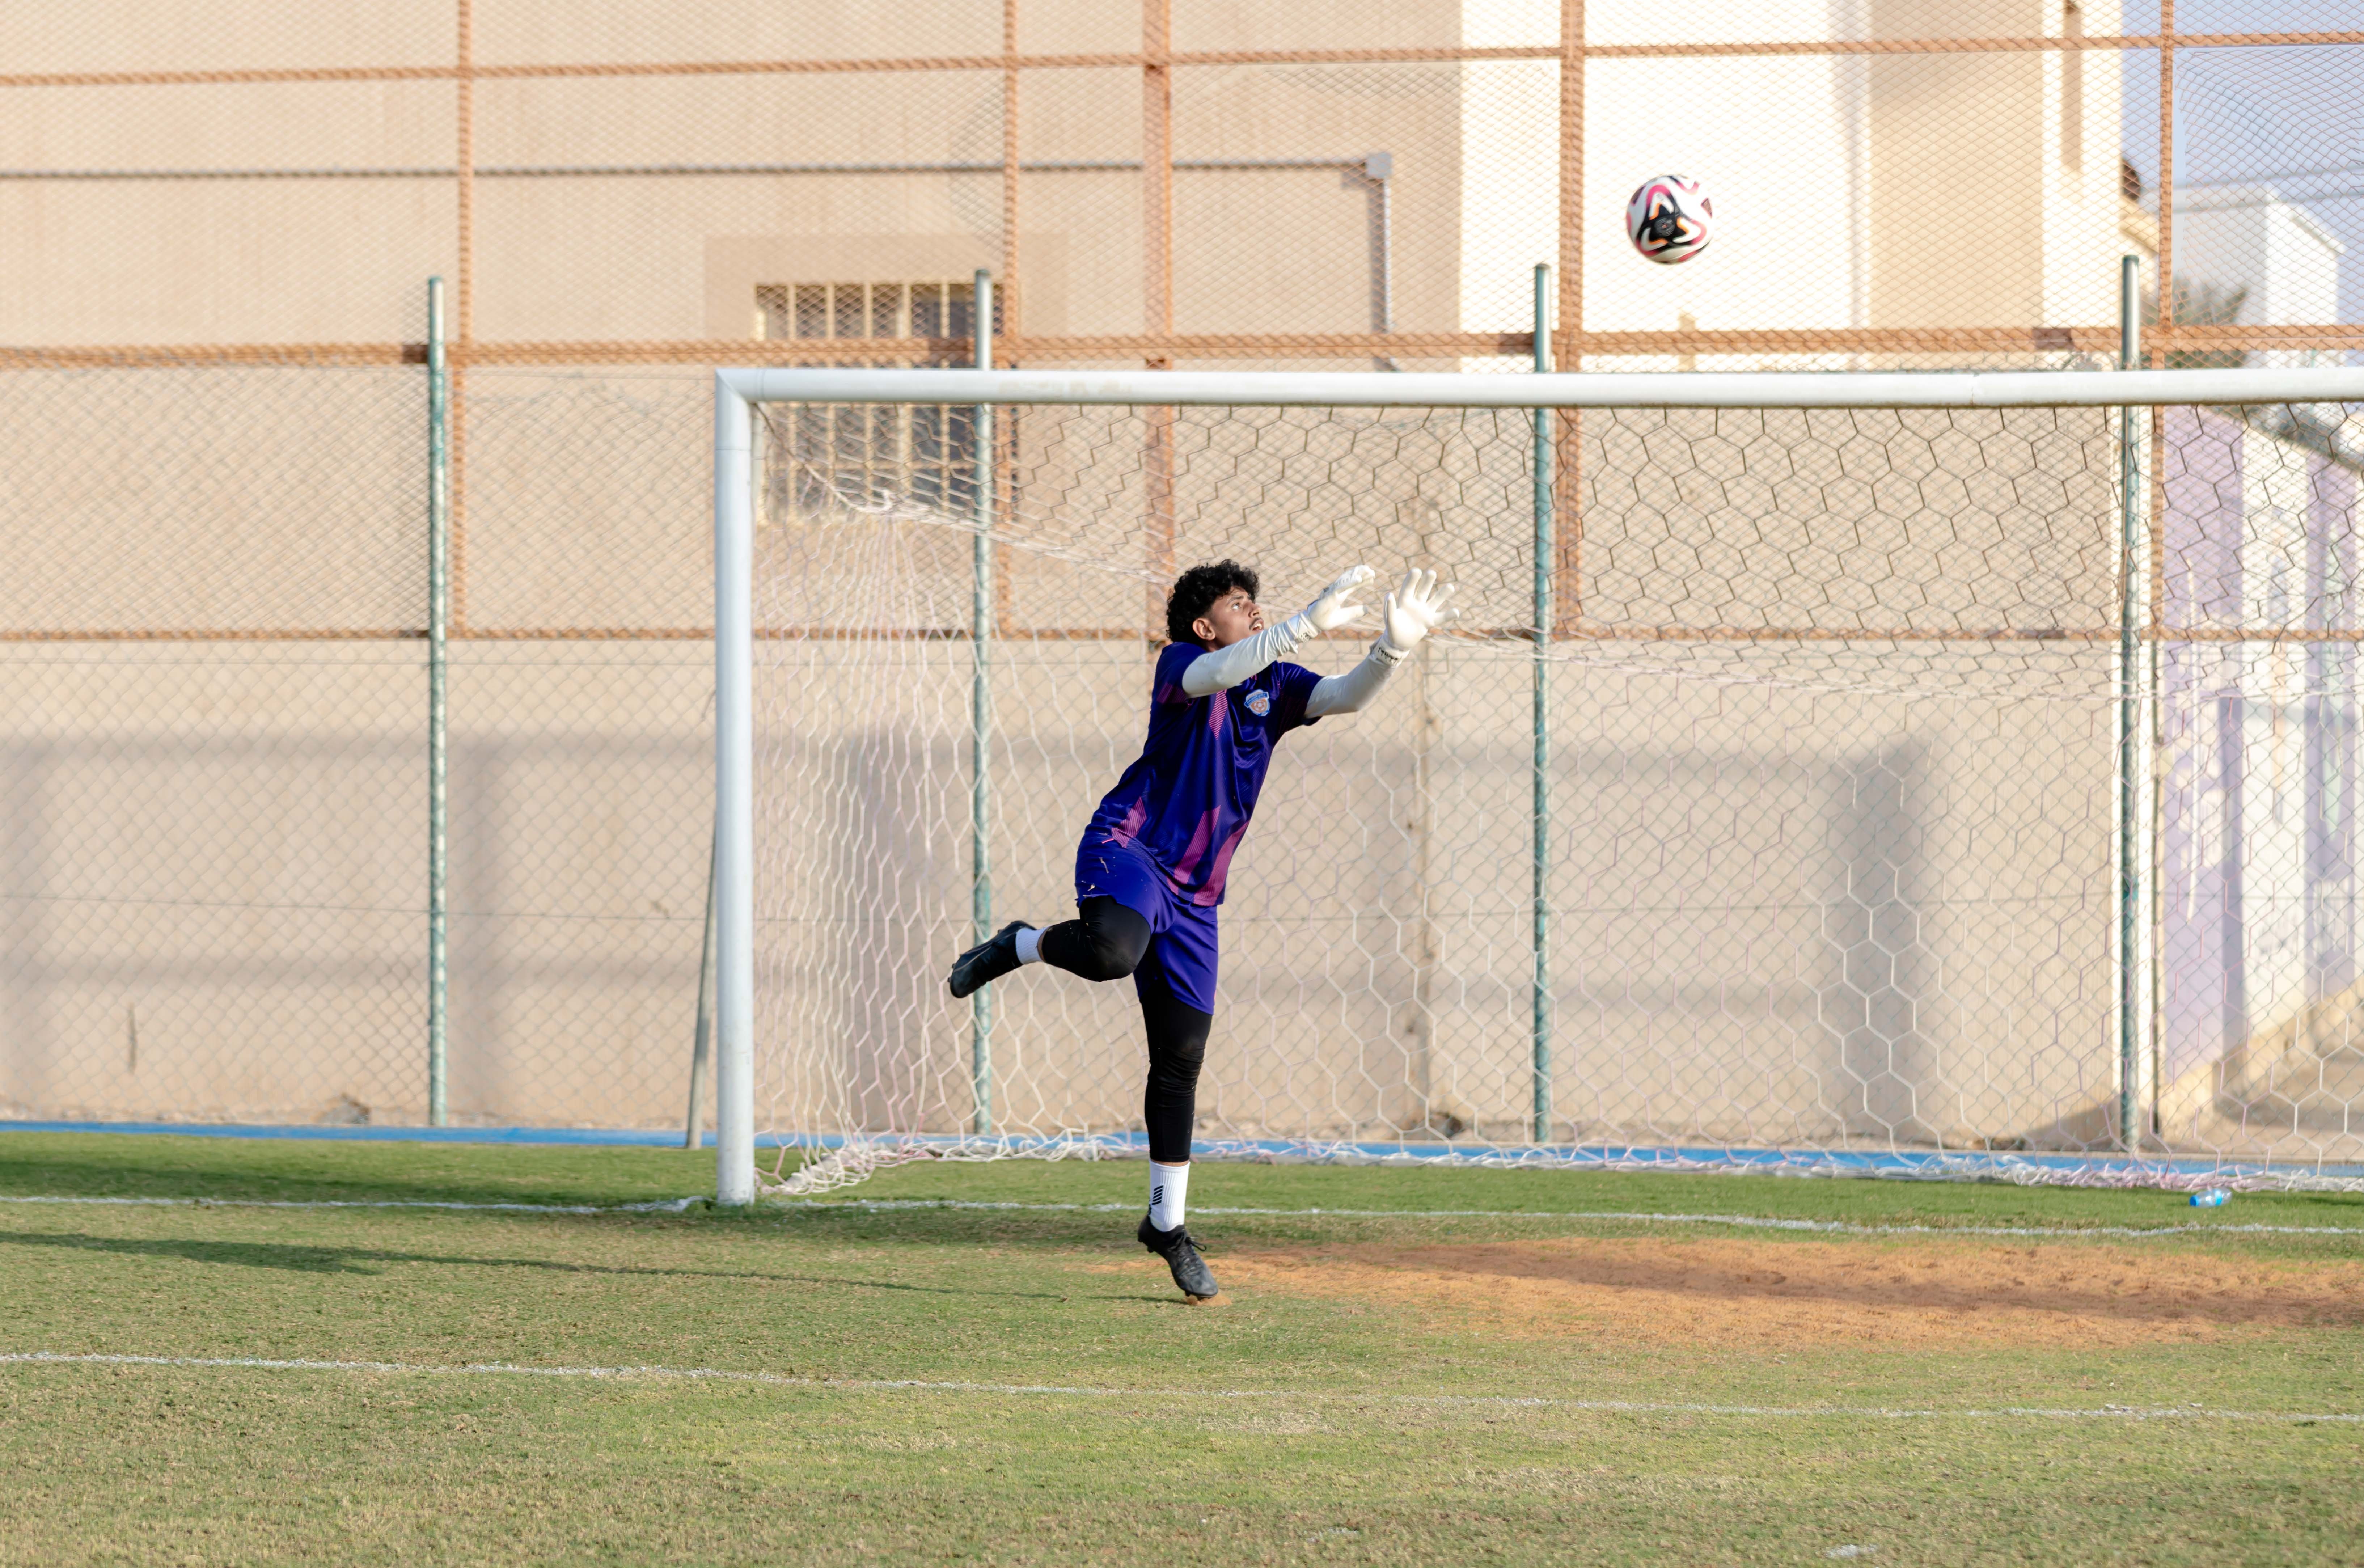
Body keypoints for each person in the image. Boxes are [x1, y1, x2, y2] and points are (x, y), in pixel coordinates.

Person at [946, 558, 1459, 1299]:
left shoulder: (1274, 686)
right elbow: (1218, 672)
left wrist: (1393, 648)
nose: (1254, 612)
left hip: (1198, 896)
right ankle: (1021, 943)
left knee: (1181, 1058)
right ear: (1202, 624)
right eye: (1238, 603)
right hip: (1131, 849)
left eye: (1258, 604)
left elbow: (1345, 696)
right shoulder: (1184, 664)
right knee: (1113, 953)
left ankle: (1167, 1227)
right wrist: (1299, 625)